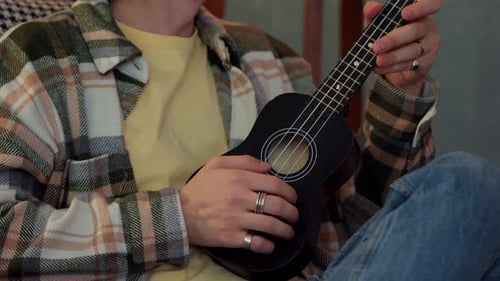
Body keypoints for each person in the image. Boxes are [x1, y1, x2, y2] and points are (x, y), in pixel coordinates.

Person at [0, 0, 498, 280]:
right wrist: (181, 216)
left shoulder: (273, 61)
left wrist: (398, 89)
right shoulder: (40, 55)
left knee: (466, 187)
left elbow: (368, 236)